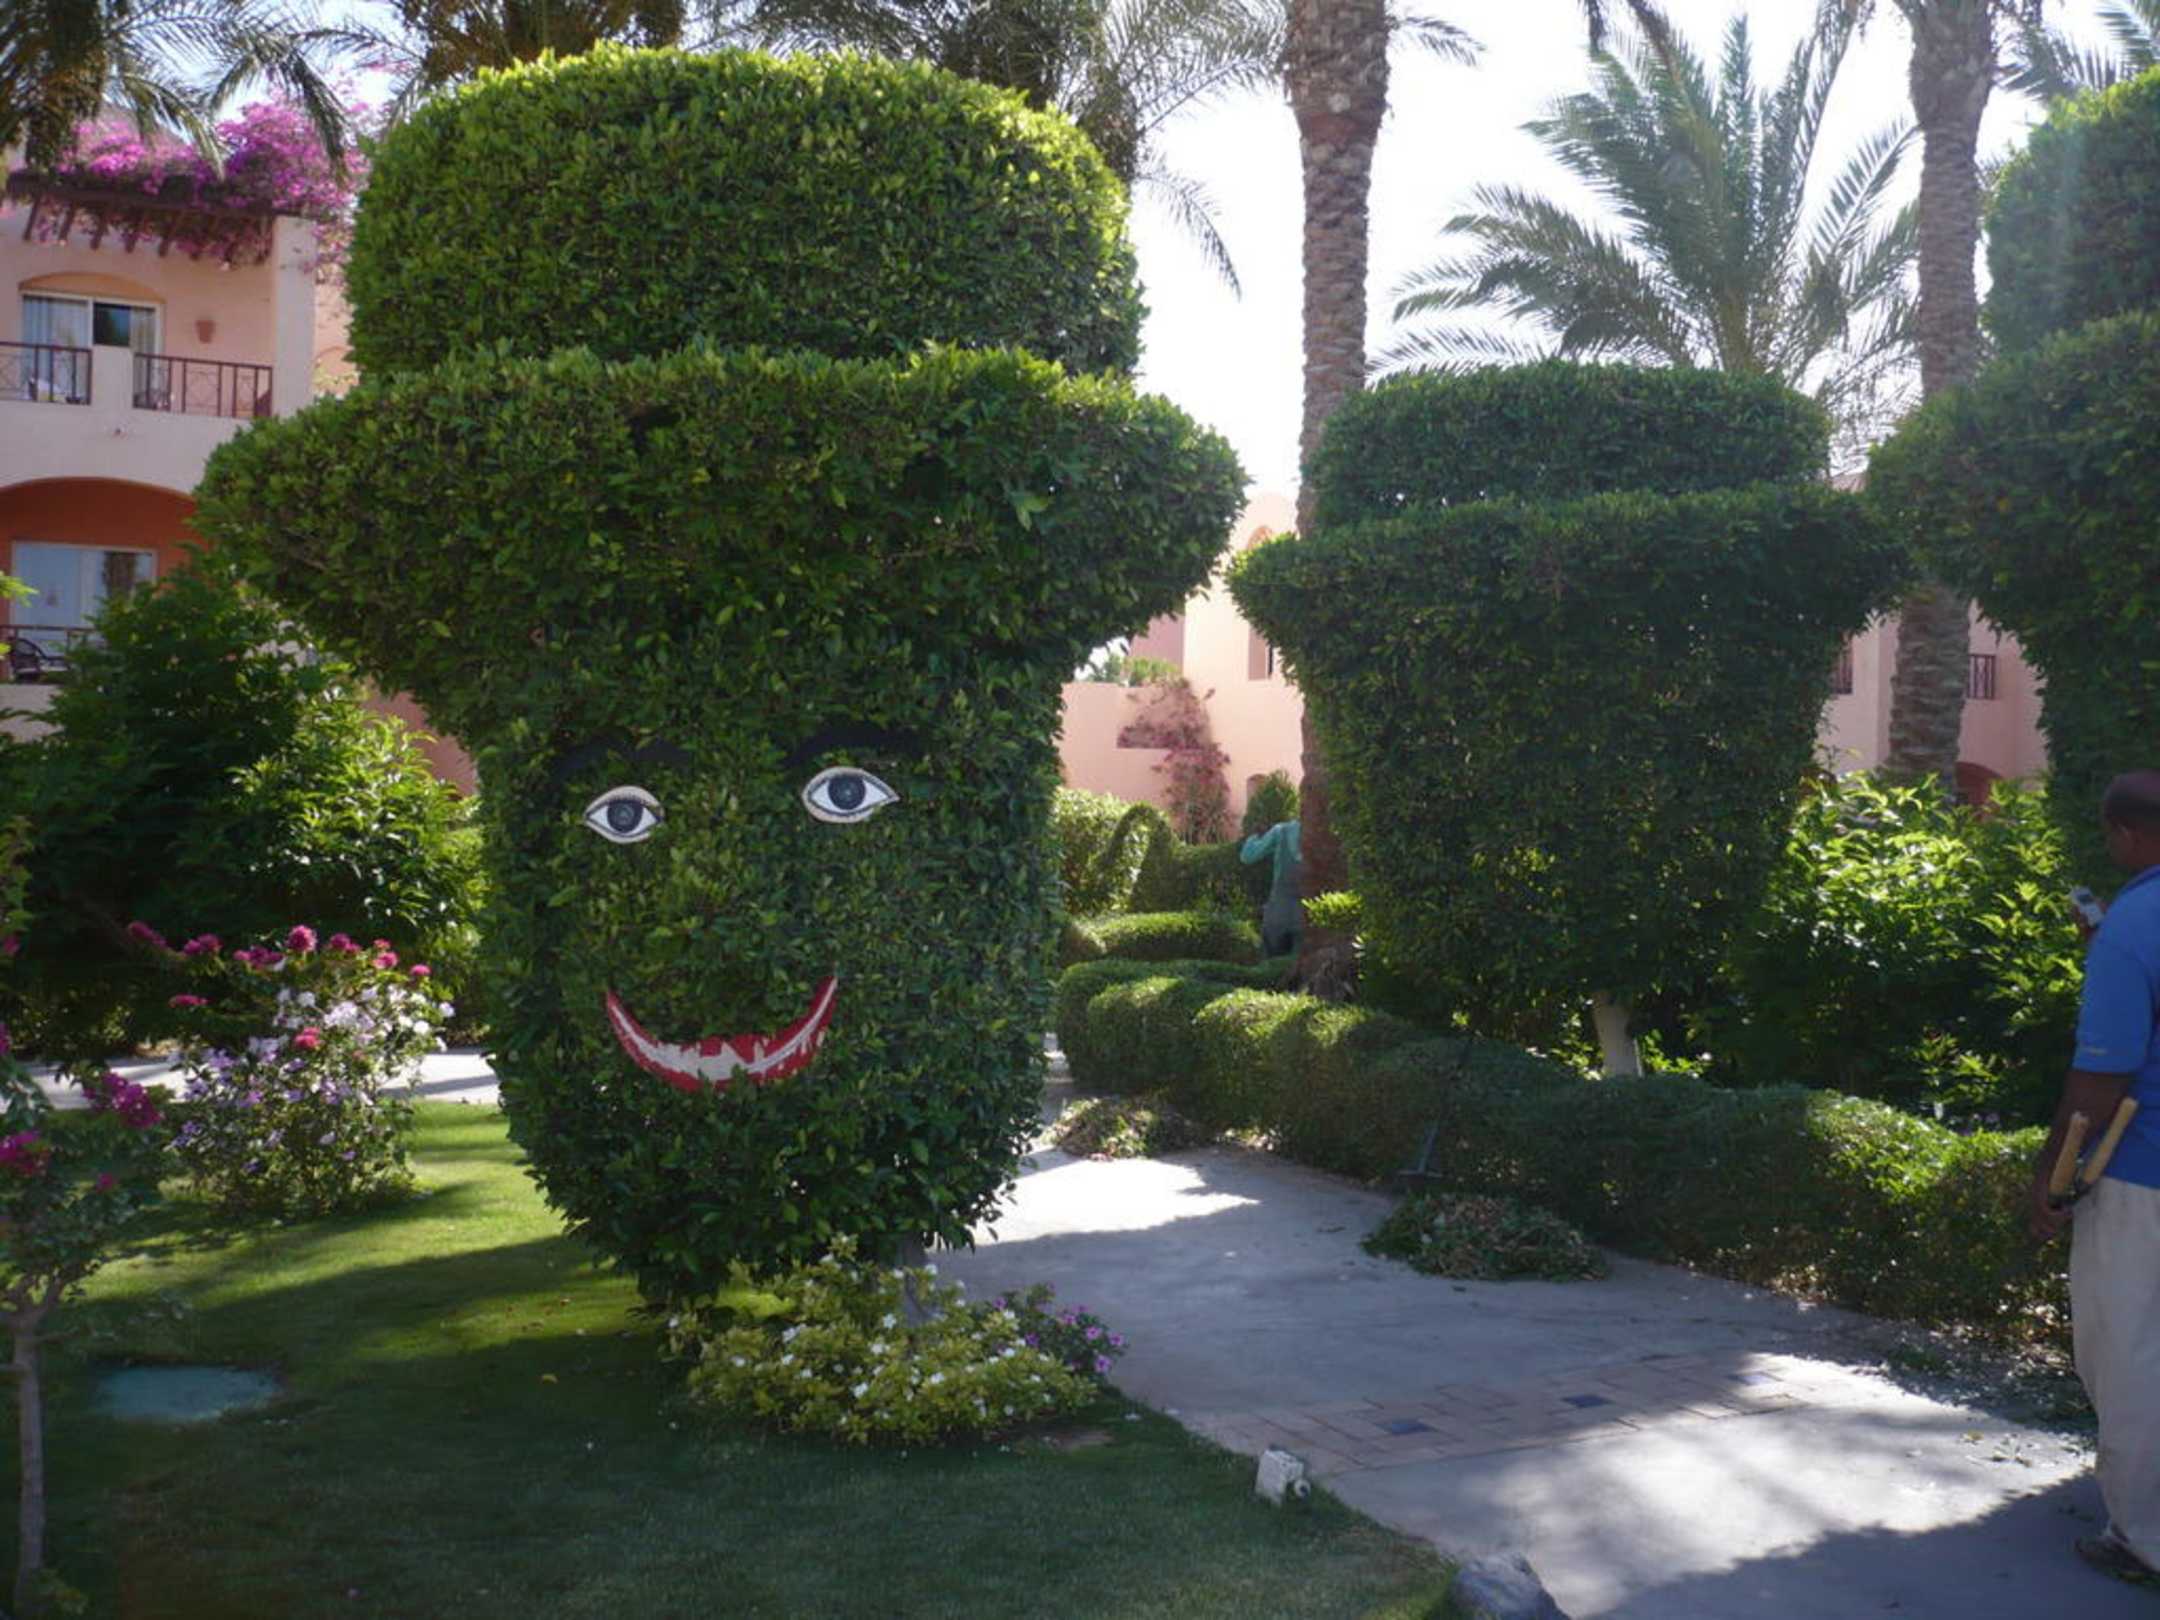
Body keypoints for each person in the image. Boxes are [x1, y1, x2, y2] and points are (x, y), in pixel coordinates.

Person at [2030, 769, 2160, 1587]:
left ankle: (2144, 1536)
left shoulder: (2135, 924)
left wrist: (2052, 1175)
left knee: (2132, 1353)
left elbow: (2101, 1079)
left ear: (2125, 834)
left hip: (2144, 1178)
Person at [1240, 817, 1302, 958]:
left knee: (1273, 960)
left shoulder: (1281, 831)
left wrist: (1255, 836)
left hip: (1279, 909)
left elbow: (1247, 856)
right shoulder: (1331, 830)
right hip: (1312, 910)